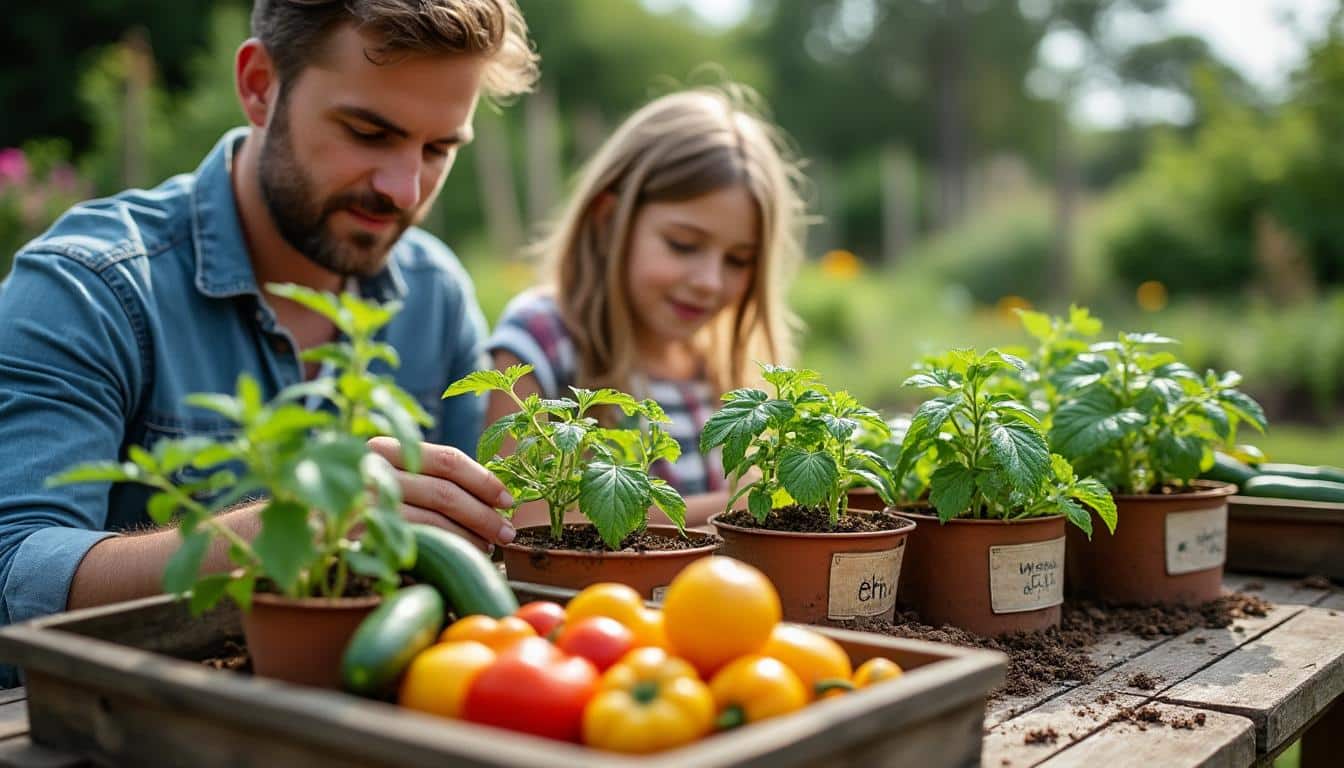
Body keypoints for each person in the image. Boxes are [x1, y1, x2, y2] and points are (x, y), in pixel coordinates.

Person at [0, 0, 539, 659]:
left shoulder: (435, 296)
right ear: (259, 86)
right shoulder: (91, 287)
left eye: (438, 149)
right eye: (368, 133)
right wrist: (293, 526)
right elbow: (13, 568)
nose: (404, 189)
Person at [485, 86, 807, 529]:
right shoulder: (543, 340)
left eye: (738, 260)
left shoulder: (722, 369)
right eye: (683, 244)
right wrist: (741, 509)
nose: (710, 282)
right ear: (608, 219)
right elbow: (528, 519)